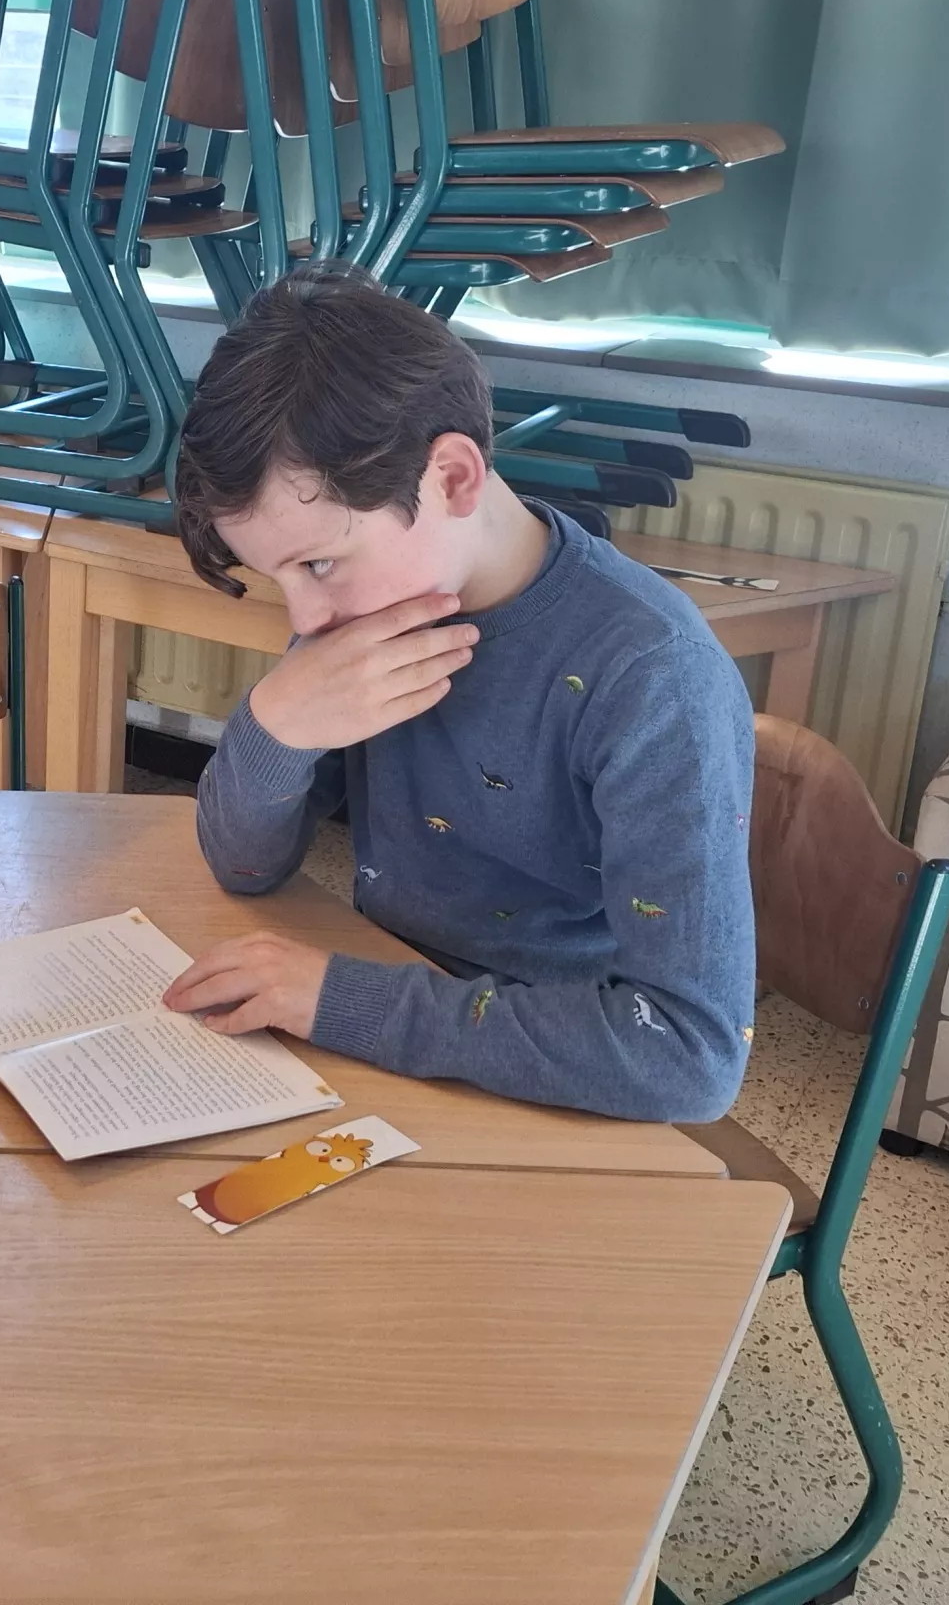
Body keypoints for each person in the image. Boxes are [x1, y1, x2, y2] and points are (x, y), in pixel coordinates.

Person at [161, 266, 754, 1122]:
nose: (305, 618)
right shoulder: (374, 604)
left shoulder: (653, 674)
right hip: (393, 1040)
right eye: (277, 577)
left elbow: (688, 1054)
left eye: (319, 563)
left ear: (452, 478)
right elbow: (243, 866)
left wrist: (342, 999)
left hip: (564, 1094)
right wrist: (273, 724)